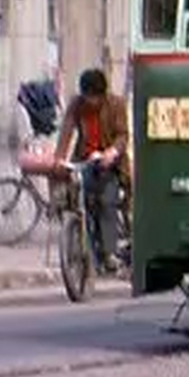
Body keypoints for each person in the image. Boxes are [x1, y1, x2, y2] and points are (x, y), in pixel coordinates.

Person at [54, 68, 130, 271]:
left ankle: (110, 252)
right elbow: (66, 131)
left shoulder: (116, 105)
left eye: (94, 97)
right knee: (76, 197)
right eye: (87, 96)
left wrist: (112, 151)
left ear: (102, 95)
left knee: (107, 200)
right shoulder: (76, 105)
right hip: (85, 160)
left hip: (110, 164)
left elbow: (123, 135)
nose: (90, 102)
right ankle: (82, 244)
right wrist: (59, 158)